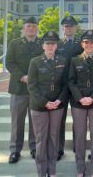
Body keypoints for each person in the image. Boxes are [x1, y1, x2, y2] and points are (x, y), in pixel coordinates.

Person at [28, 31, 68, 177]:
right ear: (43, 46)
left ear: (56, 46)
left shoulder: (62, 60)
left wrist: (58, 100)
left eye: (53, 44)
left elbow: (65, 84)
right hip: (39, 107)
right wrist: (45, 102)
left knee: (53, 138)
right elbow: (32, 86)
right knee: (40, 140)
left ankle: (52, 171)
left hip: (57, 105)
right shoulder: (35, 61)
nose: (50, 46)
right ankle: (41, 172)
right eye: (48, 44)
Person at [68, 30, 93, 177]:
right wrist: (80, 97)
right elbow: (71, 81)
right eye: (86, 42)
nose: (89, 44)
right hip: (78, 103)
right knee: (79, 136)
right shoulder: (75, 60)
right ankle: (80, 169)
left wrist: (92, 98)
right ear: (81, 44)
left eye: (91, 42)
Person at [6, 16, 43, 163]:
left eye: (34, 26)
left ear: (37, 28)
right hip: (18, 89)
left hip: (36, 90)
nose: (31, 29)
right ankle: (15, 150)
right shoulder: (15, 44)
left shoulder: (42, 44)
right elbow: (9, 63)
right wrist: (22, 77)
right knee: (17, 121)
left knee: (35, 121)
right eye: (28, 26)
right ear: (24, 29)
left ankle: (34, 148)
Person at [57, 15, 83, 160]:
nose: (69, 28)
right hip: (59, 86)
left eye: (71, 26)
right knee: (59, 119)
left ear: (75, 28)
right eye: (66, 26)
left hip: (76, 86)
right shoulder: (57, 44)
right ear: (63, 28)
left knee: (77, 118)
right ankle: (59, 148)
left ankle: (76, 145)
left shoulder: (81, 44)